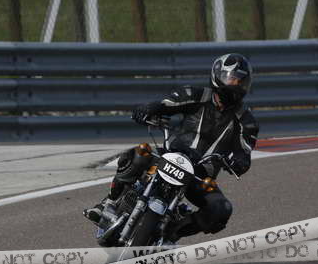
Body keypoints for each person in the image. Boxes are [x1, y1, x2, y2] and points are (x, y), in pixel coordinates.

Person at [84, 53, 259, 242]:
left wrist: (238, 161)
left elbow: (244, 152)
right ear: (219, 76)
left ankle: (172, 232)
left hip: (200, 175)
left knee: (221, 209)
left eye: (241, 81)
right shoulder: (196, 95)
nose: (236, 85)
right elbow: (165, 105)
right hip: (170, 155)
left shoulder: (246, 121)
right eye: (233, 79)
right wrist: (148, 109)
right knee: (138, 154)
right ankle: (107, 204)